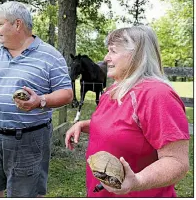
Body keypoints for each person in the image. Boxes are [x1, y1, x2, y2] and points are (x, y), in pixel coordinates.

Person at [65, 25, 189, 197]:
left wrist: (137, 181)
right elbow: (121, 126)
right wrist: (83, 125)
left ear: (136, 54)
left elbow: (177, 162)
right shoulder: (115, 89)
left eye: (113, 51)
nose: (106, 57)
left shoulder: (157, 95)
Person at [0, 1, 73, 197]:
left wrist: (40, 101)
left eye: (0, 23)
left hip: (28, 138)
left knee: (26, 194)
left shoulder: (50, 55)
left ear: (17, 24)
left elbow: (66, 93)